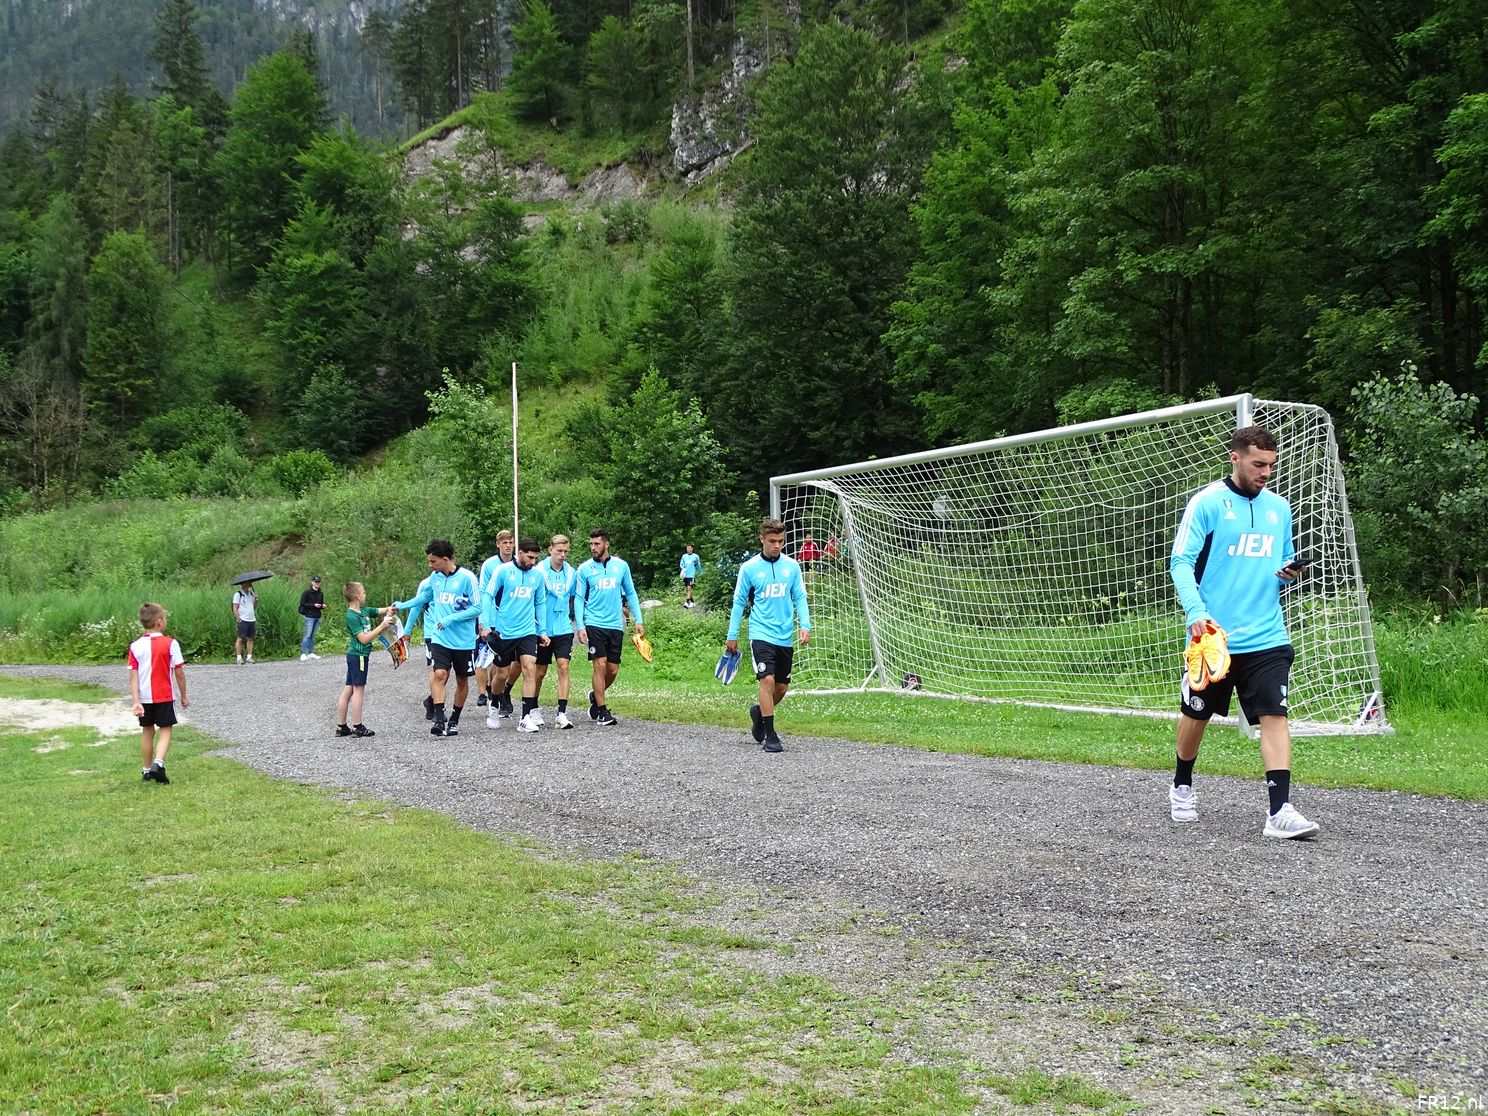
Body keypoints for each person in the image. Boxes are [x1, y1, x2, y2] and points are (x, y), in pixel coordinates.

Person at [1169, 425, 1319, 840]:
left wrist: (1289, 573)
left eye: (1271, 465)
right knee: (1195, 716)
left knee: (1275, 714)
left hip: (1267, 635)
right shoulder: (1207, 504)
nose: (1266, 472)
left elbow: (1282, 561)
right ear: (1235, 458)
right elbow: (1180, 562)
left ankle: (1280, 811)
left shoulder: (1279, 508)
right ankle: (1182, 782)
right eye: (1258, 464)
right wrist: (1195, 612)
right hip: (1214, 638)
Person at [726, 518, 812, 754]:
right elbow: (738, 602)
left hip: (784, 634)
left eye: (781, 541)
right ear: (762, 539)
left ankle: (759, 713)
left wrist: (805, 625)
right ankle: (771, 736)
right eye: (772, 541)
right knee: (767, 680)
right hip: (761, 632)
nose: (777, 545)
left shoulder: (791, 566)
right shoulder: (750, 568)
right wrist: (732, 634)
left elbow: (800, 598)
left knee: (781, 688)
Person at [394, 539, 481, 738]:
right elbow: (424, 597)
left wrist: (450, 618)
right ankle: (439, 720)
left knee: (461, 680)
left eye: (433, 561)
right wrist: (402, 605)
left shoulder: (468, 578)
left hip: (464, 640)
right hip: (440, 638)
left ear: (445, 559)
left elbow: (478, 608)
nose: (430, 565)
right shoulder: (435, 578)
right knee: (440, 674)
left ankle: (454, 720)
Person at [574, 528, 644, 727]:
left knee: (612, 670)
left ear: (606, 544)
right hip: (594, 623)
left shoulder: (621, 566)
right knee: (600, 664)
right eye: (591, 544)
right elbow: (579, 599)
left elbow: (631, 593)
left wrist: (638, 620)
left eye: (597, 544)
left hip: (615, 624)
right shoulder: (584, 569)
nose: (593, 548)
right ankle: (603, 712)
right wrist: (581, 626)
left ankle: (596, 697)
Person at [481, 537, 550, 733]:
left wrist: (542, 631)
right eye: (530, 557)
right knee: (501, 674)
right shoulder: (502, 571)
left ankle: (525, 717)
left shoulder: (537, 575)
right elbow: (488, 596)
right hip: (505, 631)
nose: (533, 562)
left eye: (536, 558)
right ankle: (494, 705)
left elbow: (540, 603)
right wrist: (486, 625)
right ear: (519, 553)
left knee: (529, 668)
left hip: (527, 631)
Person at [129, 602, 188, 784]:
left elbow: (133, 676)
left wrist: (136, 701)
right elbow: (178, 672)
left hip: (144, 698)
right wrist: (183, 695)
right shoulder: (170, 643)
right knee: (165, 730)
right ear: (160, 622)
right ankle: (158, 763)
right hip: (164, 695)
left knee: (147, 731)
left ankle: (146, 770)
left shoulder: (135, 646)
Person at [336, 582, 397, 738]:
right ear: (357, 596)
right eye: (363, 591)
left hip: (357, 657)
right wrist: (381, 627)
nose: (365, 593)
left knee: (349, 689)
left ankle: (342, 727)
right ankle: (358, 726)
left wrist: (390, 610)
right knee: (358, 690)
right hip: (358, 655)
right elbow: (363, 639)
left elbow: (381, 610)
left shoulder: (364, 611)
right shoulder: (352, 616)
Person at [534, 534, 579, 729]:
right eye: (559, 551)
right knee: (540, 670)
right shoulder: (539, 572)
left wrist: (577, 622)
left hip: (563, 628)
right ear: (550, 549)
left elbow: (573, 597)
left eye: (565, 551)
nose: (562, 555)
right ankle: (532, 707)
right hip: (542, 628)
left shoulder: (571, 573)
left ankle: (562, 712)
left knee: (563, 666)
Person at [476, 530, 515, 710]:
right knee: (491, 657)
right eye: (505, 542)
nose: (508, 546)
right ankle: (488, 692)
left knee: (511, 660)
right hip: (492, 617)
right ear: (498, 544)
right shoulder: (490, 565)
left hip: (511, 618)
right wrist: (483, 621)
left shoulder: (518, 564)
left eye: (511, 542)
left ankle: (496, 690)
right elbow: (484, 592)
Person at [298, 575, 326, 661]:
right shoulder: (307, 592)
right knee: (307, 635)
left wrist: (322, 606)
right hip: (309, 616)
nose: (317, 583)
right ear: (312, 582)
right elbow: (302, 603)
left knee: (312, 636)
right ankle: (303, 653)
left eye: (318, 582)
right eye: (315, 582)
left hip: (317, 616)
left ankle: (310, 652)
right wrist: (313, 605)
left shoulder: (320, 594)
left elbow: (320, 605)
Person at [232, 582, 257, 664]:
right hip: (243, 619)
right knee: (240, 638)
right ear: (243, 584)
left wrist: (256, 599)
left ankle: (249, 657)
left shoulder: (251, 594)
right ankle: (239, 658)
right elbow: (235, 607)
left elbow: (253, 607)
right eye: (247, 583)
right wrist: (238, 618)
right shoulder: (238, 594)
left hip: (251, 619)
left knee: (250, 638)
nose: (249, 585)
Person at [679, 544, 702, 608]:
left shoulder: (695, 556)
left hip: (691, 575)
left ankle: (687, 602)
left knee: (689, 588)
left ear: (692, 549)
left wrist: (700, 572)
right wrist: (683, 568)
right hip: (685, 575)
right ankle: (692, 602)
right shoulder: (684, 556)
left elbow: (698, 564)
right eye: (687, 548)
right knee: (688, 589)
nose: (688, 549)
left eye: (689, 548)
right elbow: (681, 564)